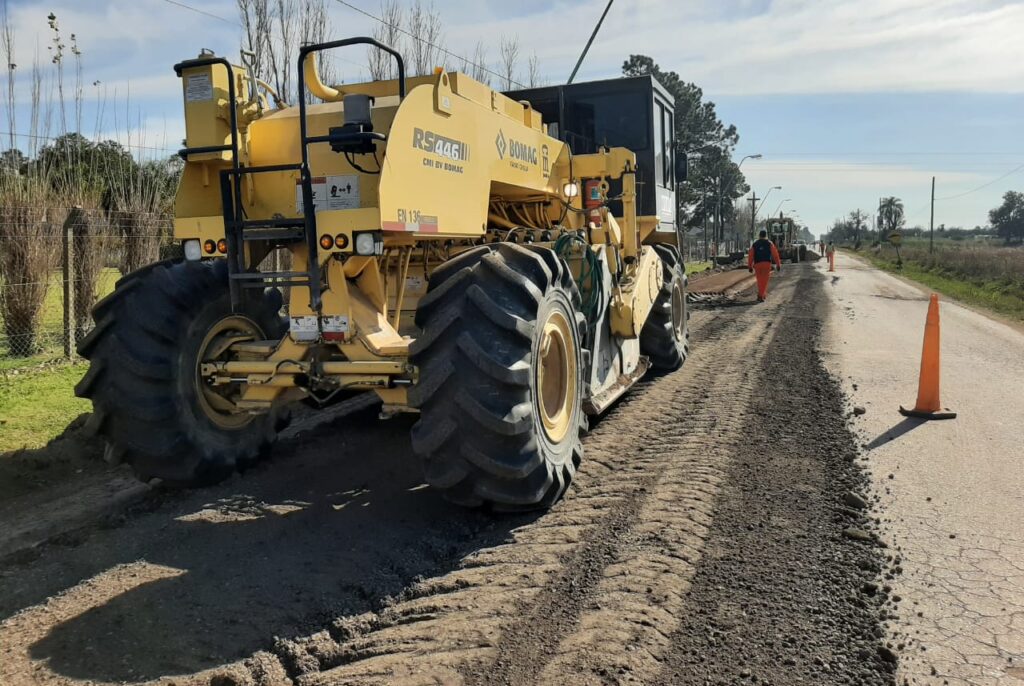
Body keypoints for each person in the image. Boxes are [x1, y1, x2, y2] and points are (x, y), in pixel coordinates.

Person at [747, 229, 782, 302]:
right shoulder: (770, 243)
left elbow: (750, 255)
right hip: (767, 264)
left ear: (759, 235)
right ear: (766, 236)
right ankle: (761, 295)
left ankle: (762, 295)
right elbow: (775, 255)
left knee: (759, 280)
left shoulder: (755, 244)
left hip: (757, 264)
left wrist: (750, 266)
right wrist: (778, 264)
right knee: (765, 281)